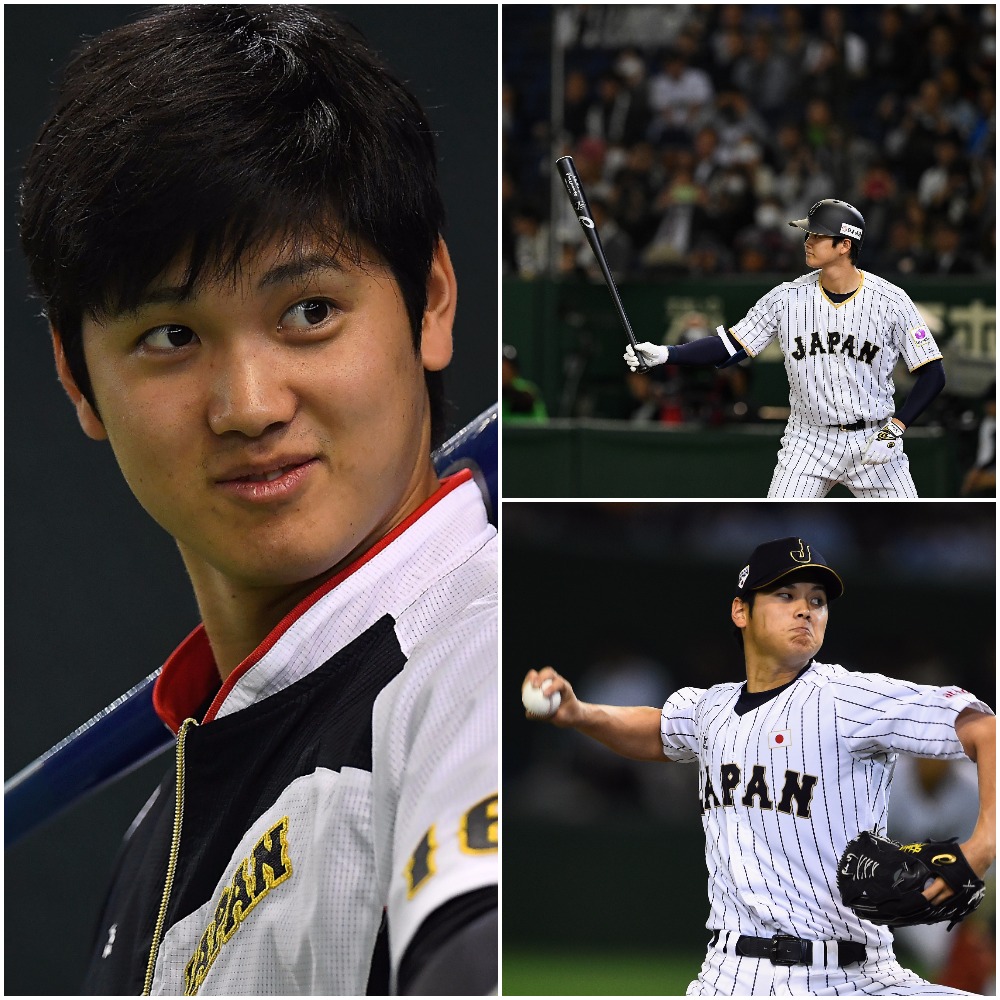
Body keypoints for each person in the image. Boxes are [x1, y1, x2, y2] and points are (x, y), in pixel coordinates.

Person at [17, 6, 497, 995]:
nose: (250, 405)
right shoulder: (165, 825)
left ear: (432, 300)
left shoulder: (475, 669)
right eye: (171, 337)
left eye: (309, 312)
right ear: (78, 379)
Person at [522, 536, 995, 996]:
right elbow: (655, 729)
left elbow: (986, 731)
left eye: (817, 599)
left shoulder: (847, 697)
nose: (805, 608)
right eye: (785, 595)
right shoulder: (711, 709)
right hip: (730, 976)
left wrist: (982, 844)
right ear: (740, 611)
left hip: (859, 976)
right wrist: (580, 713)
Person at [625, 199, 948, 497]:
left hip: (874, 436)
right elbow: (730, 345)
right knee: (780, 527)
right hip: (808, 440)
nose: (807, 241)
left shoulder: (891, 300)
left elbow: (933, 373)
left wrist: (895, 429)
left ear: (844, 245)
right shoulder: (785, 297)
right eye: (808, 234)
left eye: (817, 236)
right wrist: (669, 354)